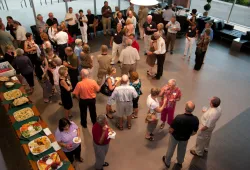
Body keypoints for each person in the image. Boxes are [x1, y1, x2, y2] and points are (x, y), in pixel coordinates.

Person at [162, 101, 199, 168]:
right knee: (182, 150)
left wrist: (171, 132)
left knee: (171, 148)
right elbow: (194, 132)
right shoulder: (195, 119)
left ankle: (167, 162)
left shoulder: (179, 117)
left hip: (175, 137)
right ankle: (180, 162)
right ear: (193, 109)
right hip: (185, 138)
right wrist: (188, 134)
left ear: (185, 108)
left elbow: (171, 130)